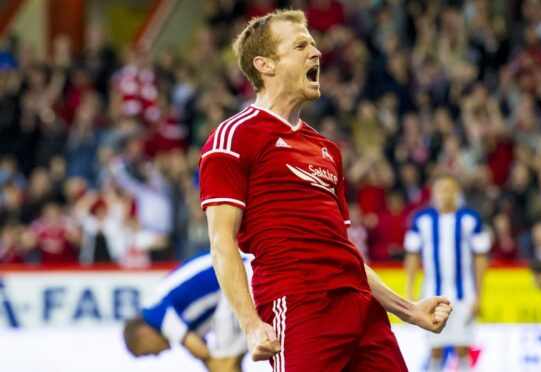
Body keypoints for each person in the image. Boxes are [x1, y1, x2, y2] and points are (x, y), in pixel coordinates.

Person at [199, 9, 452, 372]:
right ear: (265, 65)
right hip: (300, 305)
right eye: (301, 45)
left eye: (314, 44)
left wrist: (408, 310)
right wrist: (251, 324)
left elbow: (344, 250)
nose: (316, 53)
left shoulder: (327, 149)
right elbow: (221, 242)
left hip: (364, 311)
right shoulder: (234, 138)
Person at [404, 174, 490, 371]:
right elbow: (412, 256)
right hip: (431, 293)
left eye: (450, 189)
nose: (446, 194)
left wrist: (479, 295)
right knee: (435, 347)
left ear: (457, 192)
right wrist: (410, 289)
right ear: (433, 193)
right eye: (441, 189)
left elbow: (480, 258)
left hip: (464, 294)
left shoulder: (471, 218)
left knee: (462, 347)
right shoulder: (421, 219)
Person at [123, 251, 249, 372]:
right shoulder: (158, 306)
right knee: (228, 361)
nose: (156, 355)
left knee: (224, 364)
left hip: (237, 278)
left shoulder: (154, 313)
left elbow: (202, 352)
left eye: (147, 353)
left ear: (143, 336)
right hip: (239, 273)